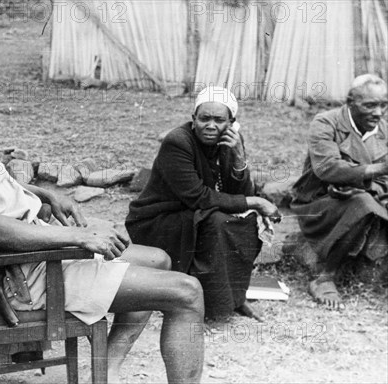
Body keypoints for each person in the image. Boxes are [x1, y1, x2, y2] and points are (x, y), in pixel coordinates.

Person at [0, 21, 205, 383]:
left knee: (160, 259)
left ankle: (107, 371)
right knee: (188, 292)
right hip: (31, 272)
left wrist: (41, 194)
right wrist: (79, 237)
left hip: (35, 255)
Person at [126, 87, 280, 319]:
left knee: (246, 221)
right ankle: (214, 307)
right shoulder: (177, 142)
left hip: (195, 213)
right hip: (158, 220)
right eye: (204, 118)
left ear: (231, 122)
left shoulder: (231, 141)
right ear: (193, 119)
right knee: (217, 222)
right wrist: (256, 201)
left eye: (219, 120)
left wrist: (239, 157)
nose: (210, 125)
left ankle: (235, 299)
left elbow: (240, 192)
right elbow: (197, 196)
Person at [291, 74, 388, 310]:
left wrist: (364, 183)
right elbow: (327, 168)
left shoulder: (383, 129)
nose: (378, 112)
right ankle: (325, 277)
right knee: (362, 204)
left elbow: (384, 179)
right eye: (370, 105)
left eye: (383, 105)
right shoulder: (326, 122)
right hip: (318, 200)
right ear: (350, 101)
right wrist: (377, 170)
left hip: (364, 194)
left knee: (364, 199)